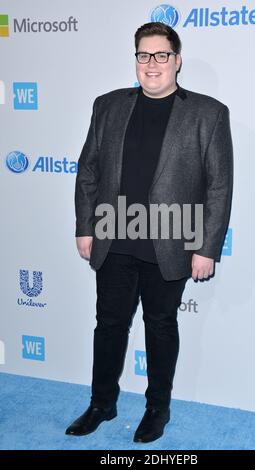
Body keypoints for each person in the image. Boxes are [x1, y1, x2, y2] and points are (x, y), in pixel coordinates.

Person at [65, 22, 233, 443]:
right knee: (108, 325)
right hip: (113, 239)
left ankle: (157, 409)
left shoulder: (209, 113)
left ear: (177, 61)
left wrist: (206, 247)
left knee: (161, 327)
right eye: (143, 55)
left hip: (172, 242)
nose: (151, 64)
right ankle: (102, 403)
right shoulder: (107, 106)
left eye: (161, 55)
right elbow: (87, 172)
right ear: (136, 60)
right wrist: (85, 227)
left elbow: (218, 186)